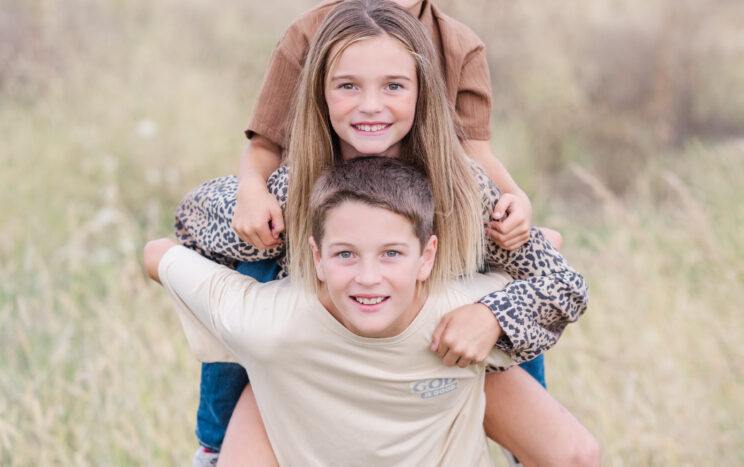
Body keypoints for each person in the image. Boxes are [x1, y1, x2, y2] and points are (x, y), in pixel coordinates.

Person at [178, 0, 557, 460]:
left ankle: (524, 440)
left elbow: (475, 150)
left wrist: (514, 199)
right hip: (323, 205)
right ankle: (217, 439)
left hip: (415, 206)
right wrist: (252, 192)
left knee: (507, 284)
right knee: (249, 283)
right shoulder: (310, 33)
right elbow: (264, 144)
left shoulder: (460, 46)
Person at [177, 0, 598, 466]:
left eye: (394, 86)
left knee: (573, 452)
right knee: (251, 269)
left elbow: (563, 283)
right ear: (321, 94)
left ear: (421, 92)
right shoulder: (291, 190)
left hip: (433, 352)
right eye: (348, 86)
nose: (371, 106)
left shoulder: (463, 191)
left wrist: (493, 316)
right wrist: (248, 197)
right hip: (312, 361)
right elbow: (189, 224)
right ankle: (214, 445)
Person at [147, 156, 534, 465]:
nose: (368, 278)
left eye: (391, 253)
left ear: (427, 256)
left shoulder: (460, 312)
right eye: (345, 254)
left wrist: (493, 315)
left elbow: (156, 254)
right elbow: (157, 255)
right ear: (316, 257)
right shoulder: (272, 322)